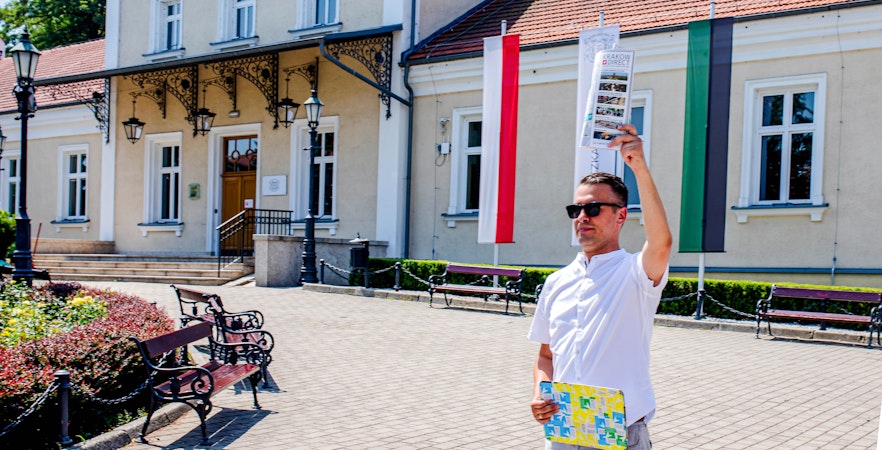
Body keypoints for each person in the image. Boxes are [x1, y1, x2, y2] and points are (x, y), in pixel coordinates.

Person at [527, 124, 672, 450]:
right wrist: (540, 390)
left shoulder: (635, 273)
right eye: (576, 210)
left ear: (621, 216)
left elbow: (661, 242)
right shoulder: (556, 282)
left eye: (593, 208)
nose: (582, 217)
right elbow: (545, 356)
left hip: (619, 434)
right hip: (564, 430)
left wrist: (638, 166)